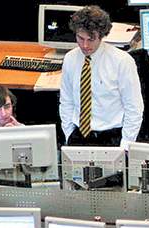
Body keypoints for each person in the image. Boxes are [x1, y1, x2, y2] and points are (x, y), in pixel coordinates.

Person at [59, 5, 143, 148]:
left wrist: (126, 144)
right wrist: (68, 134)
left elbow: (134, 107)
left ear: (101, 36)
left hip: (112, 136)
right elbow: (66, 101)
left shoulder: (122, 61)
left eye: (91, 39)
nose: (85, 45)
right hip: (79, 134)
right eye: (80, 38)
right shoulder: (70, 59)